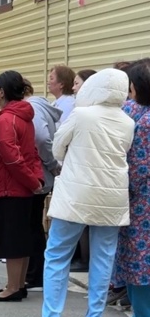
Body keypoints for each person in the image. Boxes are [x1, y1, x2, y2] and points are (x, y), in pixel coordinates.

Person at [30, 68, 134, 317]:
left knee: (57, 254)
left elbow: (57, 147)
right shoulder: (127, 121)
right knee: (103, 257)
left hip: (76, 194)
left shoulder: (81, 114)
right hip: (112, 197)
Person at [0, 71, 44, 303]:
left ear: (2, 92)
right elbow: (32, 152)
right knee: (22, 238)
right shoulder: (24, 116)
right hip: (24, 187)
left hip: (9, 187)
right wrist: (36, 179)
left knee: (11, 240)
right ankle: (18, 284)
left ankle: (12, 287)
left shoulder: (6, 119)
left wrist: (31, 180)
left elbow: (11, 157)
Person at [115, 61, 150, 317]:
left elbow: (139, 166)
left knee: (138, 255)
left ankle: (143, 315)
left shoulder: (139, 117)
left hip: (141, 200)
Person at [23, 79, 62, 293]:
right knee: (34, 224)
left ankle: (35, 273)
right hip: (41, 172)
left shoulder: (33, 108)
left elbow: (41, 137)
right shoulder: (39, 105)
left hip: (37, 173)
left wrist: (51, 163)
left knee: (32, 225)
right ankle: (35, 272)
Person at [69, 68, 97, 274]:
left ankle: (85, 259)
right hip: (94, 173)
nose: (73, 88)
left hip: (84, 172)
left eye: (77, 83)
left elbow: (60, 144)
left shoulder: (82, 112)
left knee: (83, 220)